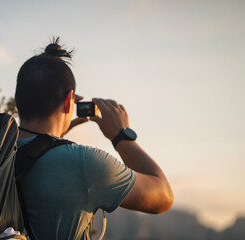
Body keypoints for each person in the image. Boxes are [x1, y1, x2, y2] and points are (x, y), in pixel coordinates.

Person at [14, 38, 174, 240]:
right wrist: (121, 136)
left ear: (17, 100)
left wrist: (51, 142)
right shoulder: (81, 163)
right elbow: (163, 196)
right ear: (68, 102)